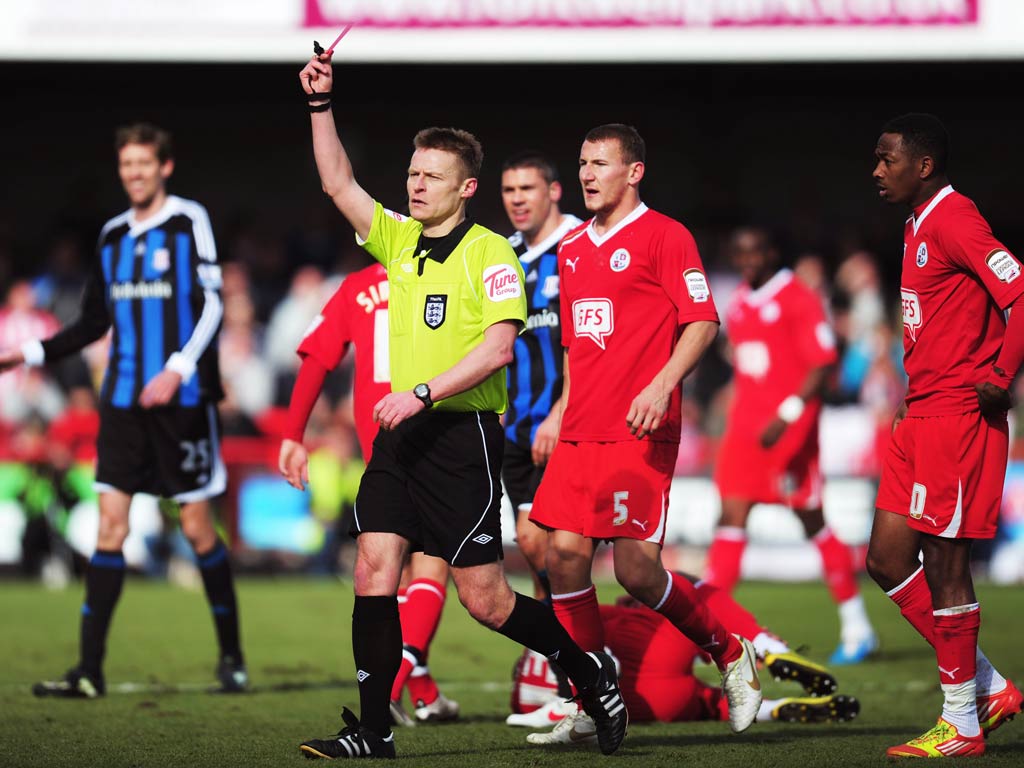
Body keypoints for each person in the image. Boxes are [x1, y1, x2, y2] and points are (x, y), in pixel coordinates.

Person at [294, 51, 628, 759]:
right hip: (401, 441)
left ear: (465, 186)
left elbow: (499, 349)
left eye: (430, 176)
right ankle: (374, 731)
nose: (414, 185)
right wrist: (322, 105)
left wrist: (420, 393)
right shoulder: (398, 238)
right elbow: (335, 181)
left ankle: (588, 673)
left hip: (460, 439)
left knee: (486, 601)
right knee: (373, 567)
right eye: (412, 173)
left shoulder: (491, 256)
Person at [527, 123, 762, 747]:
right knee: (562, 559)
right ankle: (594, 698)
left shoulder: (666, 235)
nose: (586, 174)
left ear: (633, 173)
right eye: (582, 162)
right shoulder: (571, 249)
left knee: (635, 570)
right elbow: (577, 347)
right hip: (580, 432)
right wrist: (559, 412)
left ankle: (731, 652)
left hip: (639, 431)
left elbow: (703, 322)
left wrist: (660, 386)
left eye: (600, 163)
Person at [0, 123, 247, 697]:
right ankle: (89, 671)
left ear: (164, 167)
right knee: (110, 527)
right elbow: (92, 323)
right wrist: (27, 354)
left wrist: (178, 368)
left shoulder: (189, 221)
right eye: (125, 165)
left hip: (182, 402)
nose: (134, 173)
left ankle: (232, 657)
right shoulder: (112, 236)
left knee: (196, 528)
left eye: (144, 163)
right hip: (122, 404)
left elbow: (212, 302)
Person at [866, 113, 1023, 758]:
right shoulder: (917, 225)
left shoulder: (956, 219)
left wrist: (1001, 371)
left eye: (886, 159)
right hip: (919, 412)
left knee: (947, 566)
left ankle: (960, 723)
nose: (876, 170)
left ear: (923, 164)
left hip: (959, 413)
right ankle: (987, 685)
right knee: (886, 559)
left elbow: (1019, 291)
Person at [277, 261, 459, 726]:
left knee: (393, 571)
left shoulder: (357, 287)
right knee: (431, 562)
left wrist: (294, 433)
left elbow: (317, 356)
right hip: (434, 423)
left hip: (375, 435)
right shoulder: (446, 272)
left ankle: (425, 691)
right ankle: (393, 689)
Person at [706, 226, 878, 664]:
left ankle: (858, 626)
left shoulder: (798, 297)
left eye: (754, 252)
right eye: (738, 254)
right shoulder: (741, 300)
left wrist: (786, 414)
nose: (746, 262)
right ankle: (709, 632)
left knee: (811, 519)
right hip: (745, 432)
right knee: (730, 516)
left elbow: (822, 365)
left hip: (789, 432)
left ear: (771, 251)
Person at [509, 575, 859, 732]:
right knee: (687, 591)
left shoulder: (521, 703)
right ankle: (766, 647)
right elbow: (602, 622)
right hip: (649, 651)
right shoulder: (553, 626)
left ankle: (774, 710)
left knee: (709, 706)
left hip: (642, 705)